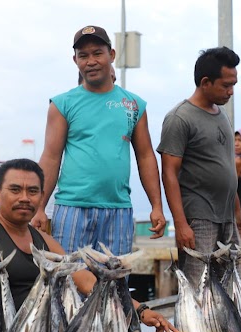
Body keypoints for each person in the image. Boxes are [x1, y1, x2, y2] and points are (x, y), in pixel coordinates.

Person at [0, 158, 176, 332]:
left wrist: (140, 310)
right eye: (15, 190)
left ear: (42, 196)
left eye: (32, 191)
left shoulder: (43, 241)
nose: (24, 198)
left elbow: (88, 282)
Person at [32, 25, 166, 257]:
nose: (90, 61)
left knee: (114, 285)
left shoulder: (134, 105)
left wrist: (156, 206)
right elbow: (51, 157)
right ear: (75, 60)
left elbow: (145, 156)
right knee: (70, 283)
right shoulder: (62, 104)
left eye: (97, 53)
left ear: (111, 55)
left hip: (119, 210)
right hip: (72, 208)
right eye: (83, 56)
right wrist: (40, 207)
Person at [157, 46, 241, 287]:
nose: (231, 91)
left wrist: (237, 212)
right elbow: (169, 174)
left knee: (230, 287)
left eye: (234, 84)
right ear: (205, 82)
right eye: (226, 85)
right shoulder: (179, 118)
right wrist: (181, 225)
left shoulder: (222, 114)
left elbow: (226, 168)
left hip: (226, 217)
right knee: (199, 289)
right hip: (199, 218)